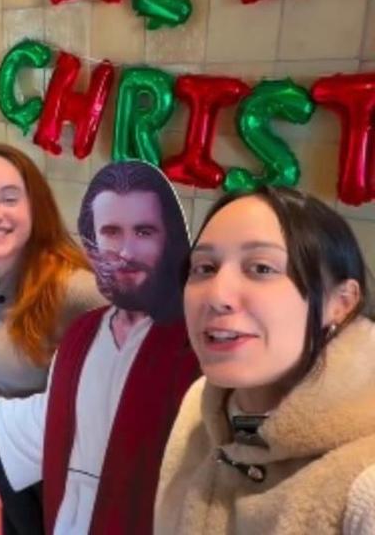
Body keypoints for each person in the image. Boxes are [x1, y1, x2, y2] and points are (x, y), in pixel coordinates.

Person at [0, 160, 201, 535]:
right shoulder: (78, 331)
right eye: (111, 232)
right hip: (35, 477)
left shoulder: (181, 345)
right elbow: (59, 397)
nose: (125, 251)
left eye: (143, 231)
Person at [155, 187, 375, 535]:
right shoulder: (200, 407)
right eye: (205, 268)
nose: (217, 295)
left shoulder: (367, 486)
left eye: (261, 267)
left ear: (341, 302)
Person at [0, 144, 106, 535]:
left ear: (36, 207)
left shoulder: (73, 288)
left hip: (59, 466)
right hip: (10, 454)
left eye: (9, 198)